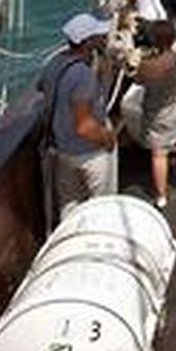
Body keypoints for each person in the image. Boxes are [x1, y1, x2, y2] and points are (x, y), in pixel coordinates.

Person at [38, 13, 118, 221]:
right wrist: (108, 138)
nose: (102, 37)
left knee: (69, 204)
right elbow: (83, 126)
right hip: (89, 153)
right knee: (103, 205)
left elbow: (43, 87)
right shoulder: (82, 75)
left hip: (62, 149)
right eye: (98, 35)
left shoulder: (54, 63)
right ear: (87, 42)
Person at [134, 19, 176, 209]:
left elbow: (138, 80)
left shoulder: (148, 67)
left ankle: (161, 196)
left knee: (159, 154)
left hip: (158, 114)